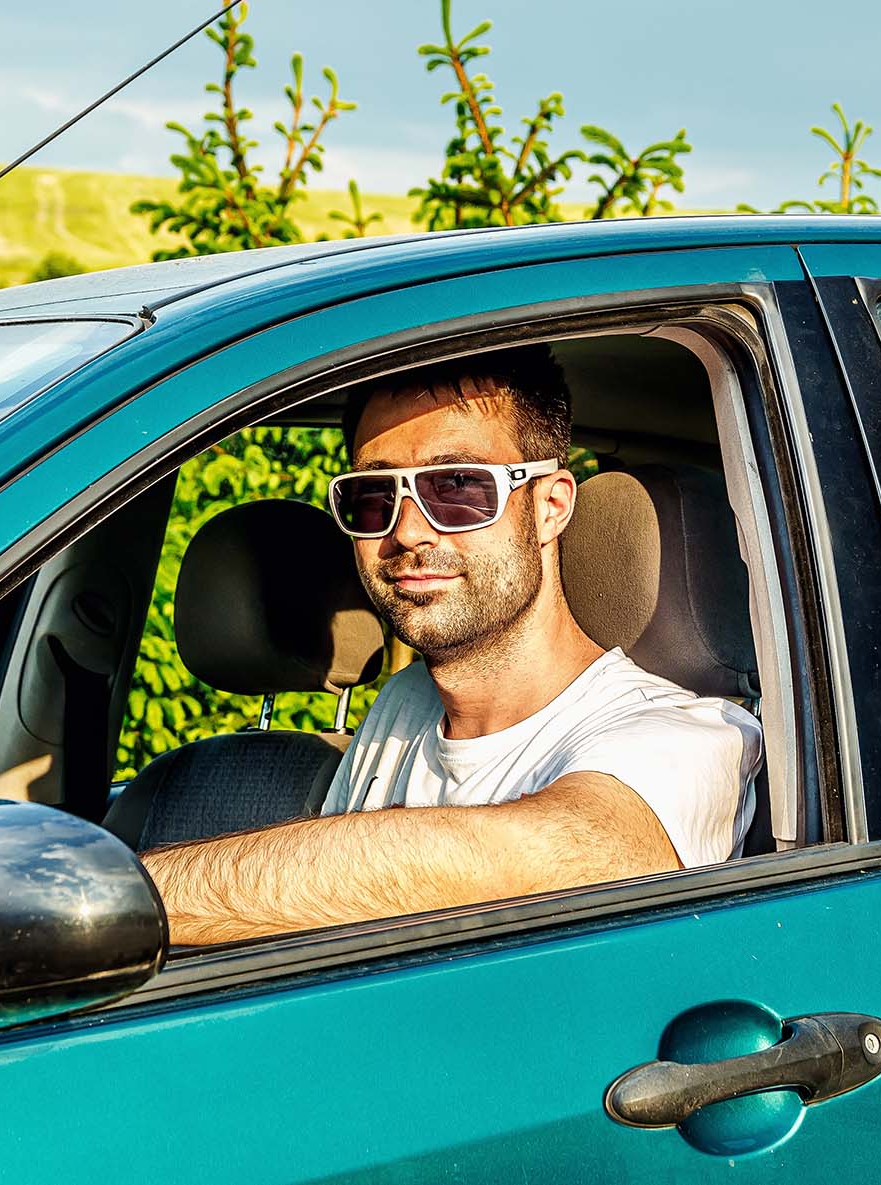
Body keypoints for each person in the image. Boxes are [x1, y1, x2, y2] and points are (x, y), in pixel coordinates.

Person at [141, 346, 762, 944]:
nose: (407, 530)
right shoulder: (407, 705)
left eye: (459, 488)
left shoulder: (691, 737)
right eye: (373, 496)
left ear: (550, 507)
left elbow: (565, 851)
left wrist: (115, 903)